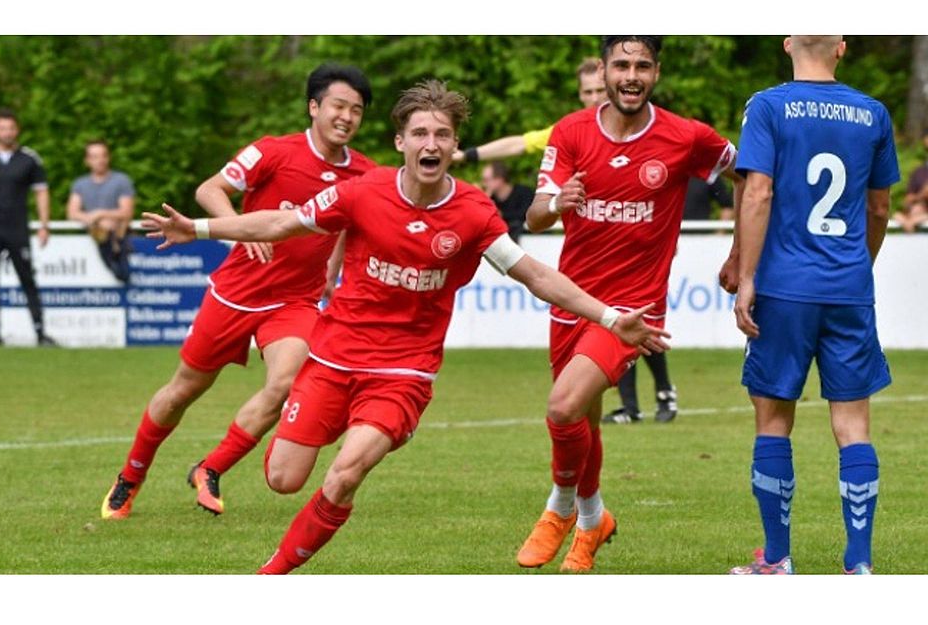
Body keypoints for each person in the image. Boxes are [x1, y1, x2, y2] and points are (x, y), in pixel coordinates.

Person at [142, 80, 670, 574]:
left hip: (402, 372)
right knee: (283, 479)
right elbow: (282, 222)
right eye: (420, 132)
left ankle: (270, 573)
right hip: (331, 359)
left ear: (454, 144)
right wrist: (200, 228)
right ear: (401, 141)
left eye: (442, 134)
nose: (431, 142)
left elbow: (533, 273)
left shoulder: (473, 211)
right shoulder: (362, 192)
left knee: (344, 473)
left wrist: (606, 316)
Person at [100, 63, 375, 520]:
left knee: (288, 384)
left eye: (357, 111)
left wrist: (334, 264)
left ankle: (210, 468)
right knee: (183, 391)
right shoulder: (272, 151)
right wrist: (240, 232)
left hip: (295, 301)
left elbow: (349, 222)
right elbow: (210, 189)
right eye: (338, 106)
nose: (347, 117)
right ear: (314, 107)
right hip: (234, 294)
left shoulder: (363, 174)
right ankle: (131, 476)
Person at [519, 36, 743, 571]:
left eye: (642, 65)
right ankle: (596, 521)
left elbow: (752, 177)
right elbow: (532, 217)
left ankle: (558, 509)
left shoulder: (686, 136)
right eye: (621, 64)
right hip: (571, 301)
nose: (631, 75)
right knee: (585, 424)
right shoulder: (571, 131)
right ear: (604, 69)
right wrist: (556, 203)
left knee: (562, 407)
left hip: (632, 311)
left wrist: (740, 250)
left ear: (656, 72)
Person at [725, 36, 898, 575]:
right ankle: (859, 564)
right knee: (853, 425)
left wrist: (746, 275)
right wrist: (855, 266)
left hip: (784, 287)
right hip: (847, 285)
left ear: (786, 43)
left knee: (774, 420)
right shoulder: (873, 112)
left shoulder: (769, 105)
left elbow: (758, 193)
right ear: (842, 47)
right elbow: (879, 205)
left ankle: (777, 559)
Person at [602, 176, 734, 425]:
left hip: (647, 259)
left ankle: (663, 394)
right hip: (621, 256)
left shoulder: (672, 169)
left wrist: (665, 240)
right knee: (621, 328)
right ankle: (631, 407)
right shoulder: (634, 170)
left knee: (640, 328)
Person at [0, 109, 56, 347]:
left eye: (11, 128)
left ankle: (40, 332)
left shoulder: (29, 159)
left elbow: (41, 192)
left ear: (17, 130)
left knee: (27, 278)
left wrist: (44, 225)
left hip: (17, 228)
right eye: (2, 128)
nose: (7, 132)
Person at [453, 57, 606, 164]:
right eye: (588, 92)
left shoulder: (630, 123)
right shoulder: (571, 130)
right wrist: (467, 155)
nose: (594, 99)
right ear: (580, 94)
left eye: (600, 90)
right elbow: (519, 144)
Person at [67, 140, 135, 283]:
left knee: (124, 274)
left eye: (103, 155)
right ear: (87, 160)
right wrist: (96, 221)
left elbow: (127, 211)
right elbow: (72, 213)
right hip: (96, 239)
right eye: (95, 156)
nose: (100, 160)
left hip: (121, 238)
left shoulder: (121, 180)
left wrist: (101, 214)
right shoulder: (80, 184)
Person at [480, 161, 534, 241]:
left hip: (528, 239)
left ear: (499, 180)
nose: (483, 184)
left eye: (486, 180)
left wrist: (501, 214)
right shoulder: (490, 198)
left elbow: (526, 215)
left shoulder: (523, 193)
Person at [892, 130, 928, 232]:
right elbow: (907, 202)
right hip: (917, 214)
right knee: (899, 215)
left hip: (920, 218)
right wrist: (922, 194)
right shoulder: (919, 172)